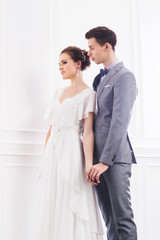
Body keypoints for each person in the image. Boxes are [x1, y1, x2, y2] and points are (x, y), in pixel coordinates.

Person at [34, 46, 104, 240]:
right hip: (53, 152)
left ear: (78, 64)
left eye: (64, 62)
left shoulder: (89, 95)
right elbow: (51, 127)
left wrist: (88, 165)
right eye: (59, 64)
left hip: (72, 150)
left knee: (69, 199)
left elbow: (88, 132)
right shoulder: (58, 92)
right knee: (52, 199)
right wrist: (44, 157)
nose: (60, 67)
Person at [85, 26, 138, 240]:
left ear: (107, 46)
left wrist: (105, 161)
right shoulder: (99, 79)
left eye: (92, 48)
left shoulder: (125, 76)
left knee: (122, 220)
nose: (89, 53)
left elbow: (119, 122)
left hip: (114, 159)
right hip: (98, 160)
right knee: (109, 221)